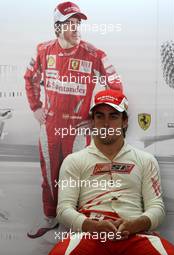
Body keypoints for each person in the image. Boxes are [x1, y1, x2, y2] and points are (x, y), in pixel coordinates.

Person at [24, 2, 123, 238]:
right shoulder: (42, 50)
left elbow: (116, 85)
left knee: (77, 175)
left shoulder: (94, 54)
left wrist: (97, 117)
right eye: (70, 23)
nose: (76, 28)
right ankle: (50, 217)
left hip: (78, 128)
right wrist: (36, 107)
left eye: (78, 23)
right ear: (57, 27)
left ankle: (76, 224)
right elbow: (29, 78)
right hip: (49, 125)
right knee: (50, 174)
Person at [45, 89, 174, 255]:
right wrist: (92, 226)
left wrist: (136, 224)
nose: (106, 123)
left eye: (113, 116)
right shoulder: (74, 160)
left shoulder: (146, 160)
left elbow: (157, 208)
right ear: (93, 121)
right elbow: (63, 209)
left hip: (135, 234)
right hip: (90, 234)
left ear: (125, 121)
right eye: (100, 116)